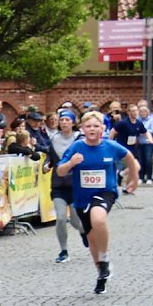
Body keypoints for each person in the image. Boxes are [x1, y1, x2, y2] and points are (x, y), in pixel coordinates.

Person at [56, 111, 140, 294]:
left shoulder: (111, 146)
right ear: (82, 129)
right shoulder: (77, 147)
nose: (92, 129)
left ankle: (105, 256)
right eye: (88, 126)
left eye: (96, 126)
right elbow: (60, 172)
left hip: (105, 192)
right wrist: (71, 163)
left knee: (98, 219)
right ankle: (101, 272)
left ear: (103, 128)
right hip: (81, 198)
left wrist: (134, 179)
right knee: (92, 239)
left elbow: (130, 160)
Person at [46, 110, 85, 264]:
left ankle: (83, 232)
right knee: (61, 218)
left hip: (74, 185)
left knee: (76, 222)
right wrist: (47, 164)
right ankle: (63, 250)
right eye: (61, 120)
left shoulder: (79, 140)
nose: (63, 122)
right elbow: (50, 156)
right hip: (58, 184)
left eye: (67, 120)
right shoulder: (53, 138)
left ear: (73, 123)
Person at [136, 105, 153, 184]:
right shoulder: (138, 120)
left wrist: (144, 131)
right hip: (140, 142)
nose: (143, 113)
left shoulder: (151, 119)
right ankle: (141, 177)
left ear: (147, 112)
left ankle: (149, 177)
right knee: (140, 160)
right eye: (141, 112)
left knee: (148, 160)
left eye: (144, 112)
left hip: (148, 142)